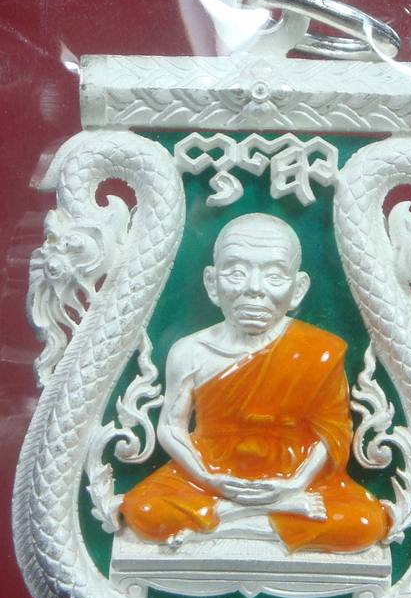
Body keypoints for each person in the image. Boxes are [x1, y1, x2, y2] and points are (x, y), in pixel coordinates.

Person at [120, 213, 391, 552]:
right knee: (143, 510)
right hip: (210, 472)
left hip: (295, 474)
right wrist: (207, 478)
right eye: (236, 272)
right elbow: (172, 426)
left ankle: (226, 521)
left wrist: (296, 483)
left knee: (365, 522)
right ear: (211, 283)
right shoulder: (189, 351)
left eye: (274, 275)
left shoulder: (320, 351)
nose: (254, 288)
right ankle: (266, 517)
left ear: (298, 289)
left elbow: (334, 432)